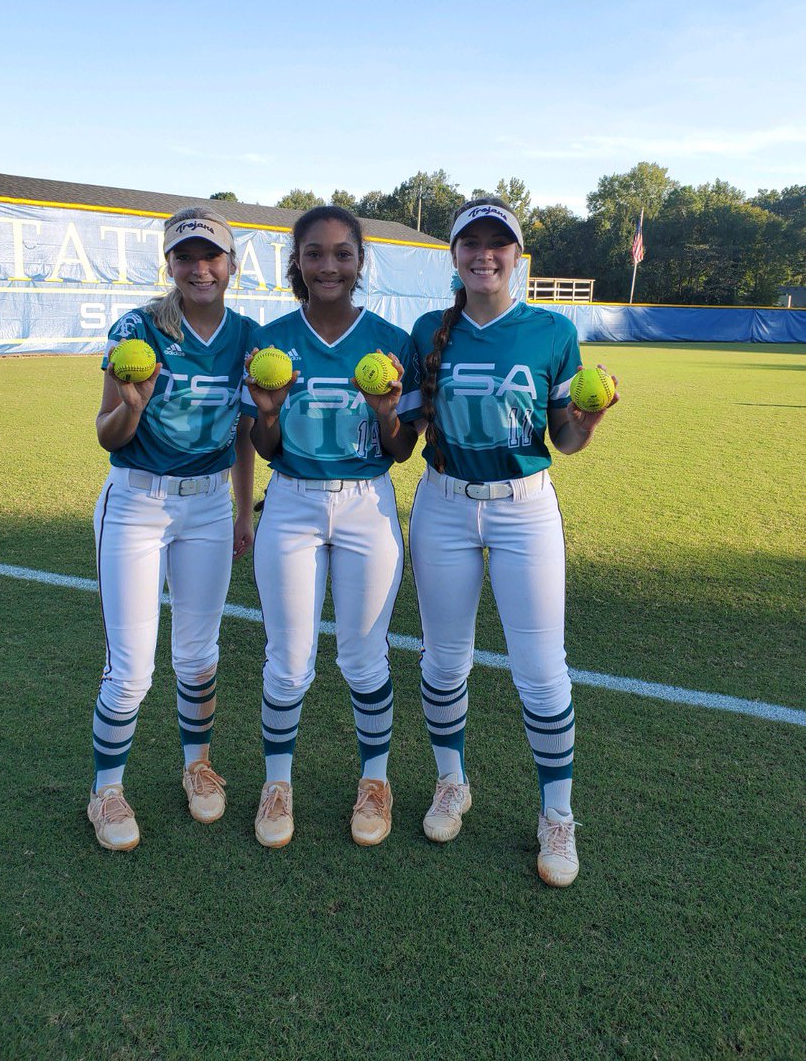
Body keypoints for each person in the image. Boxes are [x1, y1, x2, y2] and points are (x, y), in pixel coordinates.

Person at [409, 196, 618, 887]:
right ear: (455, 254)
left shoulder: (553, 332)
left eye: (499, 243)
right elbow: (402, 436)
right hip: (441, 505)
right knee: (443, 663)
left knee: (541, 670)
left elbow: (563, 439)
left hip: (524, 508)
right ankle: (451, 783)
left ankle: (557, 815)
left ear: (516, 256)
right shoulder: (426, 330)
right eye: (472, 242)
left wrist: (587, 423)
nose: (485, 254)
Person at [241, 205, 422, 849]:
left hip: (366, 503)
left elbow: (400, 452)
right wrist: (269, 410)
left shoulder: (393, 344)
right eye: (314, 253)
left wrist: (387, 412)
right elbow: (265, 445)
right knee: (289, 662)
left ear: (359, 261)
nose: (329, 265)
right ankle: (277, 782)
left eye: (342, 253)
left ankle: (376, 781)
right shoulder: (271, 342)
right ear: (297, 262)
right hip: (289, 502)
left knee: (364, 657)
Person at [87, 206, 256, 851]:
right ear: (170, 266)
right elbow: (107, 433)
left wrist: (243, 511)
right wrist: (130, 408)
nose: (198, 268)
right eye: (185, 257)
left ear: (231, 266)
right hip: (137, 501)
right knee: (130, 669)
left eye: (210, 256)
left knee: (198, 653)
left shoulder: (246, 337)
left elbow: (244, 433)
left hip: (210, 506)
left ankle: (197, 765)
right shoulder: (139, 329)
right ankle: (106, 790)